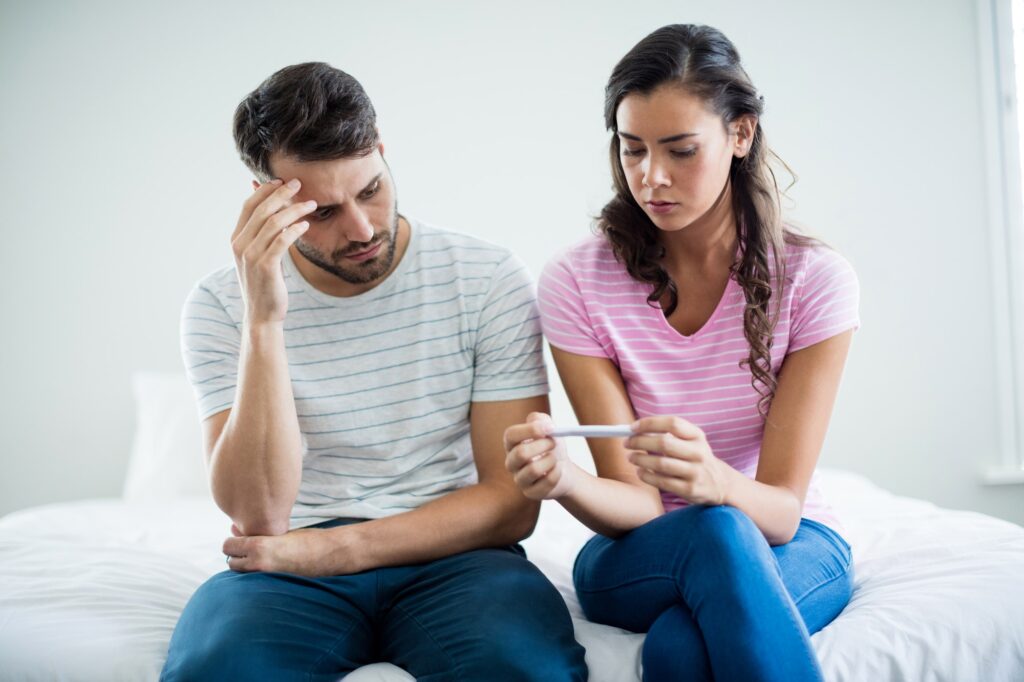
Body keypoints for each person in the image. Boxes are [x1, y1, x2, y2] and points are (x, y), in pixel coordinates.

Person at [161, 62, 586, 681]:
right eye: (323, 212)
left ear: (382, 152)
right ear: (265, 201)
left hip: (457, 553)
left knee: (526, 670)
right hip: (287, 563)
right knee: (215, 670)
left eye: (370, 190)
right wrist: (265, 322)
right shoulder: (220, 306)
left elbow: (509, 504)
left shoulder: (486, 277)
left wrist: (336, 549)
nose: (361, 229)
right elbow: (258, 517)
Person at [504, 24, 858, 682]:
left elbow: (781, 512)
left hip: (787, 535)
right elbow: (637, 503)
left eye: (680, 150)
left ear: (741, 135)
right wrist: (564, 481)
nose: (651, 177)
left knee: (680, 646)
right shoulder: (578, 281)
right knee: (713, 532)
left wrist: (715, 482)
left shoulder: (814, 280)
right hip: (641, 550)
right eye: (631, 150)